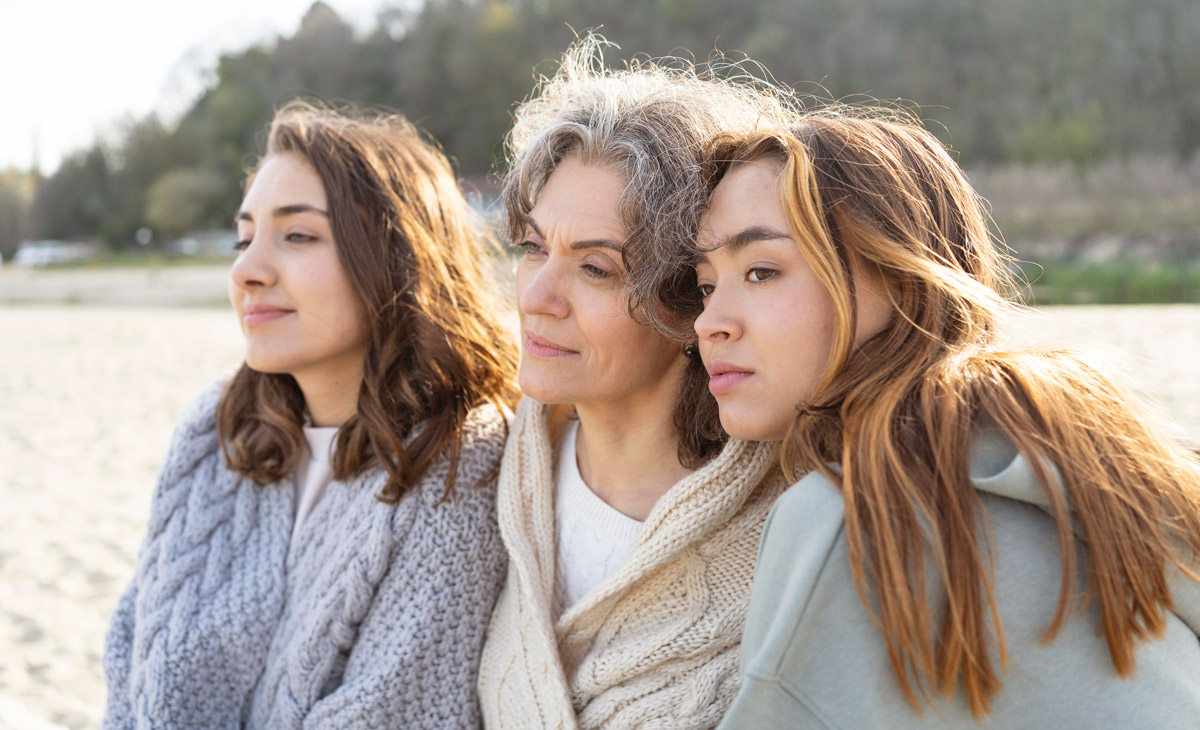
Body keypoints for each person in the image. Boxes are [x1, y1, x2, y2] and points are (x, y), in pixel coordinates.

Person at [684, 111, 1200, 728]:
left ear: (901, 276)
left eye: (761, 271)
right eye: (705, 284)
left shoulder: (850, 516)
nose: (709, 321)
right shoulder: (1105, 469)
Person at [100, 103, 520, 730]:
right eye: (244, 238)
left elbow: (391, 711)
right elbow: (129, 662)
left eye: (297, 236)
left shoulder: (459, 460)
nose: (247, 270)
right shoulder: (214, 431)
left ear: (399, 255)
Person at [475, 38, 793, 729]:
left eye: (595, 269)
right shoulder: (489, 475)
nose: (537, 296)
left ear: (692, 299)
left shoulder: (793, 535)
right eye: (534, 249)